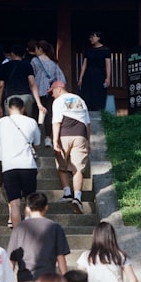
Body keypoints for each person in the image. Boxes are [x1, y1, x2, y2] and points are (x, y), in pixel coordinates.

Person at [7, 191, 70, 282]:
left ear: (28, 209)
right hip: (47, 280)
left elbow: (11, 259)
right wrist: (65, 279)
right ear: (46, 207)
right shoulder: (55, 228)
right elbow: (60, 257)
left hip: (26, 279)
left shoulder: (19, 228)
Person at [0, 95, 40, 230]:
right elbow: (37, 144)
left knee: (14, 203)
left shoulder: (1, 123)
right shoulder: (31, 122)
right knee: (29, 201)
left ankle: (18, 235)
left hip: (9, 167)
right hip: (28, 166)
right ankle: (29, 230)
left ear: (9, 109)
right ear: (23, 108)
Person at [49, 79, 91, 213]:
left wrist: (55, 141)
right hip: (81, 135)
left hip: (64, 135)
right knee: (78, 169)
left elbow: (56, 122)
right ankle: (77, 197)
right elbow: (87, 123)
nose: (52, 95)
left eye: (52, 92)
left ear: (59, 89)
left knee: (61, 165)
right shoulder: (80, 100)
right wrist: (88, 141)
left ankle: (67, 193)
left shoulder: (58, 101)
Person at [0, 43, 44, 119]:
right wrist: (39, 103)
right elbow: (32, 84)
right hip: (26, 96)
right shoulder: (27, 65)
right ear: (23, 55)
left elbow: (1, 86)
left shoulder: (5, 66)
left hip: (10, 97)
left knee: (12, 122)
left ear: (12, 54)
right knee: (27, 120)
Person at [32, 40, 65, 145]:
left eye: (36, 48)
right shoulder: (53, 62)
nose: (35, 51)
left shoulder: (35, 61)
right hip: (50, 91)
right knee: (50, 114)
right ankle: (47, 138)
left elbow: (31, 76)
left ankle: (35, 138)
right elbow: (61, 78)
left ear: (40, 49)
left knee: (35, 114)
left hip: (37, 91)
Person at [77, 31, 111, 111]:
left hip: (100, 74)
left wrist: (108, 77)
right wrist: (81, 78)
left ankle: (99, 109)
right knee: (87, 93)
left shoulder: (105, 50)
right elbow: (84, 64)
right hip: (88, 74)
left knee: (99, 92)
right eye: (90, 37)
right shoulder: (88, 50)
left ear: (98, 38)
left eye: (93, 37)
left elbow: (108, 64)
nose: (91, 39)